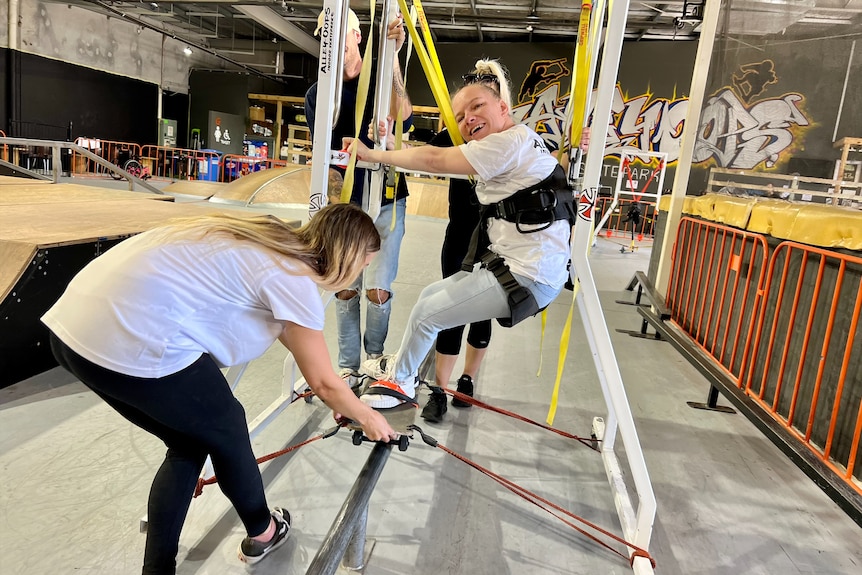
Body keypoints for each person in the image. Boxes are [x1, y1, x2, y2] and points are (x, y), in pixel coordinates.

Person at [41, 204, 396, 575]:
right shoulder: (294, 277)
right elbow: (323, 380)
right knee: (226, 426)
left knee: (191, 441)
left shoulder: (271, 239)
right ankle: (263, 531)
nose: (361, 273)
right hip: (129, 336)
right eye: (364, 264)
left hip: (71, 327)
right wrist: (367, 416)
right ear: (350, 256)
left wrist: (342, 400)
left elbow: (301, 345)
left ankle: (158, 568)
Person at [345, 63, 575, 412]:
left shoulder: (506, 144)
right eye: (460, 116)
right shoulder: (521, 140)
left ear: (502, 107)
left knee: (429, 314)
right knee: (429, 296)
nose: (467, 119)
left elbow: (435, 160)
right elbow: (433, 151)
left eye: (477, 106)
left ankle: (402, 383)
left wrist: (373, 153)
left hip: (527, 275)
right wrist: (392, 143)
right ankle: (403, 368)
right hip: (520, 266)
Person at [304, 9, 413, 388]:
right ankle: (349, 367)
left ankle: (373, 359)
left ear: (357, 37)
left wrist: (394, 55)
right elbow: (326, 156)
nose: (330, 46)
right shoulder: (319, 94)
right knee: (344, 282)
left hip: (386, 197)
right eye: (324, 38)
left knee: (378, 287)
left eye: (337, 37)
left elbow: (404, 114)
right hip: (346, 202)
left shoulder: (382, 80)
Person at [419, 59, 516, 423]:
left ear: (500, 99)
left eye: (487, 88)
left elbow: (551, 158)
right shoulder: (459, 135)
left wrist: (577, 144)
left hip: (496, 240)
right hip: (459, 235)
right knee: (448, 310)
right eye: (474, 89)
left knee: (482, 314)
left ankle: (467, 381)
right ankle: (439, 390)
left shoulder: (514, 138)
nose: (474, 110)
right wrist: (384, 137)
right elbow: (425, 154)